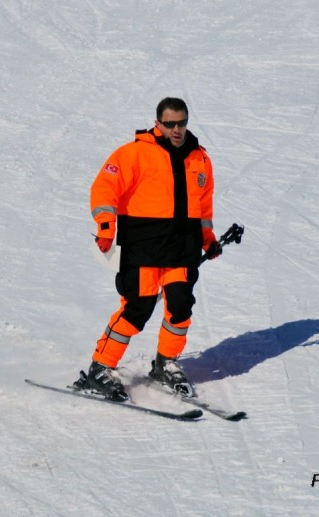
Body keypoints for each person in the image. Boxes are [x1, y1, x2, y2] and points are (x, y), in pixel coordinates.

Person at [80, 97, 222, 401]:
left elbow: (204, 204)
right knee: (137, 309)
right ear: (158, 123)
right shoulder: (134, 153)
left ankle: (165, 363)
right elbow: (105, 188)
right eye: (170, 123)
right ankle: (101, 367)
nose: (177, 129)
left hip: (182, 248)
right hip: (143, 246)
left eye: (181, 122)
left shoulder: (200, 159)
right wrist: (106, 226)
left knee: (180, 305)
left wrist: (207, 237)